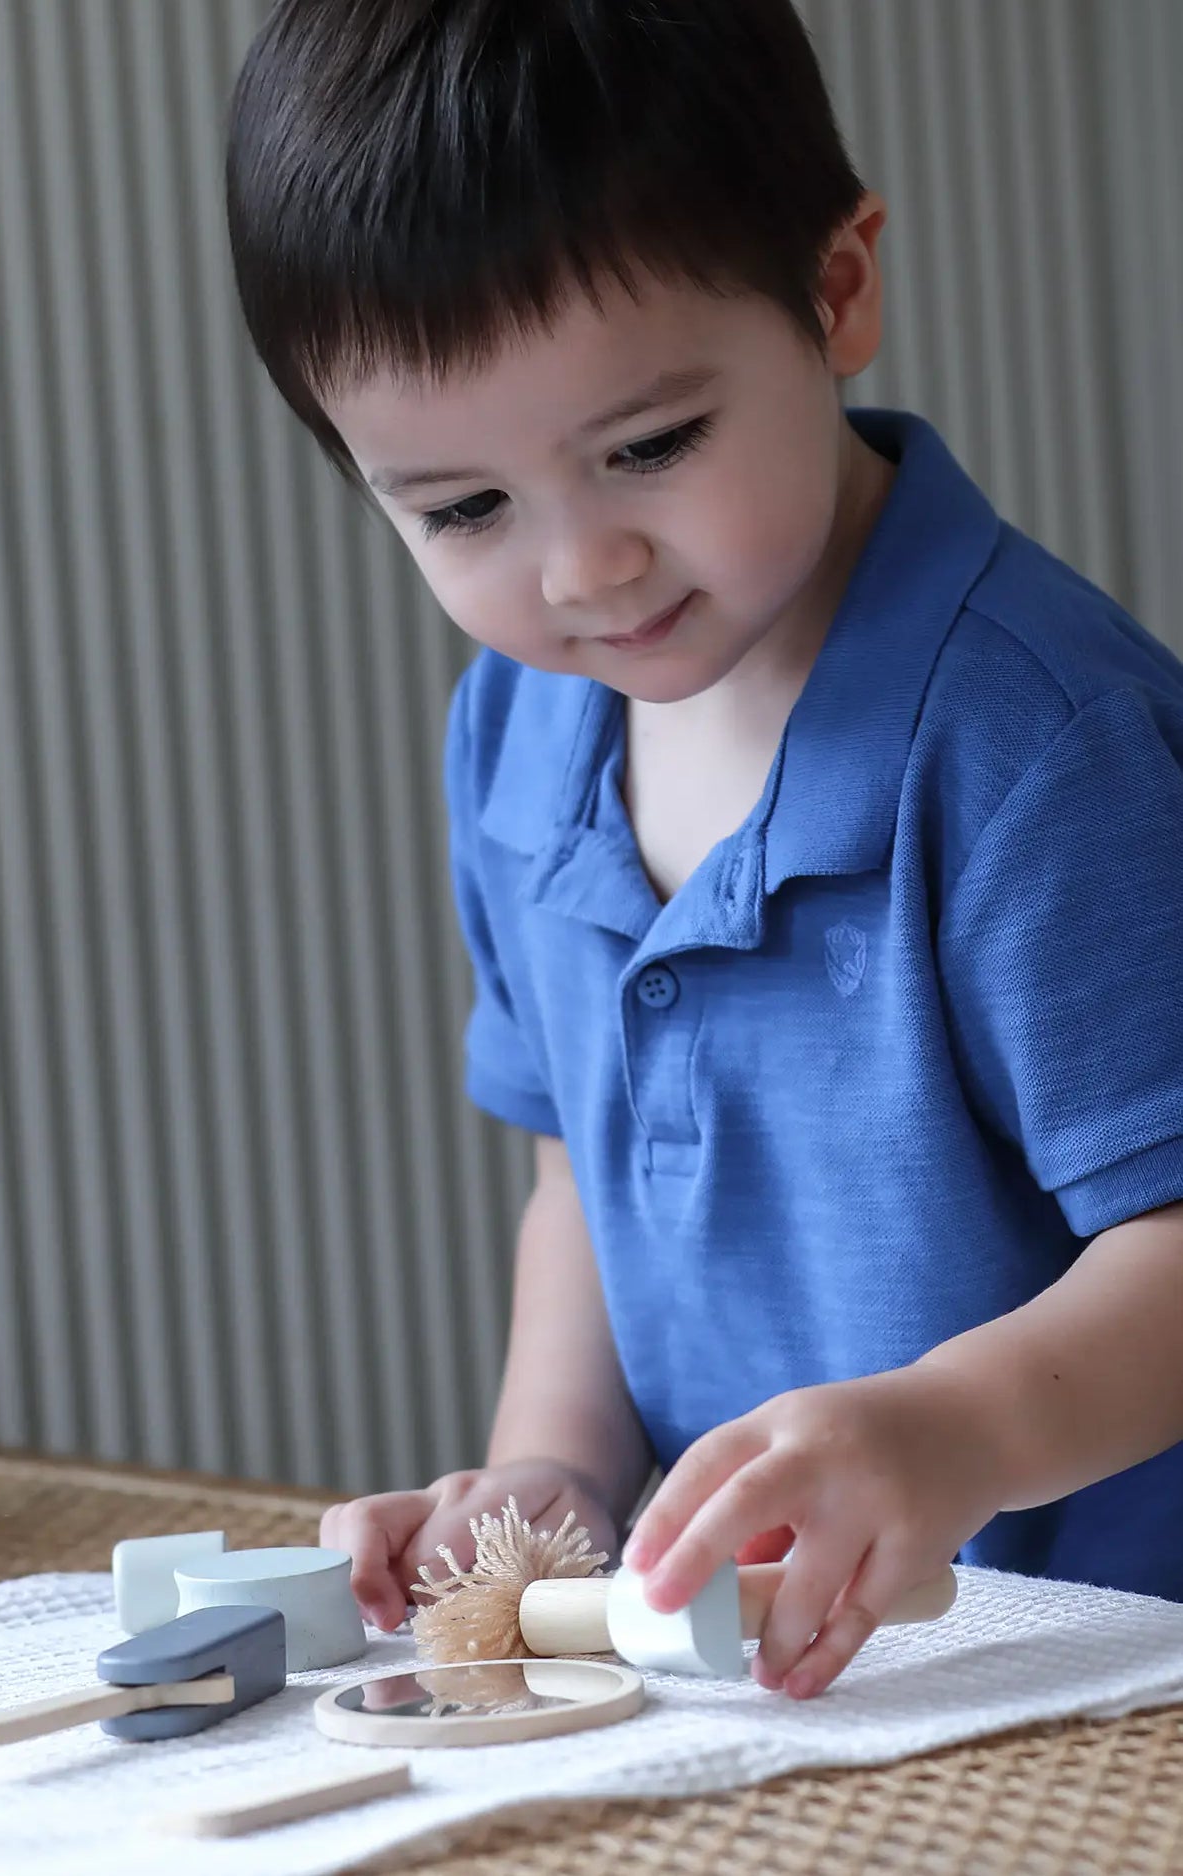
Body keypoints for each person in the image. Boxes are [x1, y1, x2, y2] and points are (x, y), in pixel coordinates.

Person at [224, 0, 1183, 1698]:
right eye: (461, 510)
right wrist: (556, 1479)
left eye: (648, 448)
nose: (581, 569)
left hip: (1095, 1673)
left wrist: (945, 1435)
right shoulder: (518, 738)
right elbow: (580, 1177)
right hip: (755, 1689)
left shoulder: (1037, 748)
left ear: (834, 293)